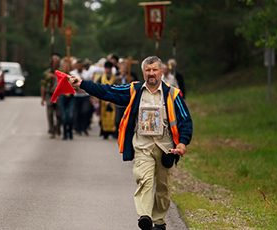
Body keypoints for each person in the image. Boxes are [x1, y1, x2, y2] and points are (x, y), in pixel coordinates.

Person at [70, 56, 193, 230]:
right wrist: (82, 83)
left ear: (161, 71)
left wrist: (183, 143)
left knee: (163, 188)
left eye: (155, 70)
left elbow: (185, 121)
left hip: (167, 148)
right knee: (144, 180)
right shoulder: (134, 90)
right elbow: (107, 91)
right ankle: (145, 216)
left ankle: (159, 221)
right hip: (143, 147)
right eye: (148, 70)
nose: (151, 74)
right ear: (143, 72)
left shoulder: (173, 94)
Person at [113, 61, 137, 137]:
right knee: (118, 120)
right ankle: (118, 132)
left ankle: (126, 133)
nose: (123, 70)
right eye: (122, 69)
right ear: (119, 70)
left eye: (124, 69)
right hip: (119, 101)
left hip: (128, 102)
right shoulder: (116, 79)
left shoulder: (131, 78)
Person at [40, 53, 62, 139]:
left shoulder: (61, 72)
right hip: (49, 93)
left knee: (59, 114)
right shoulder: (46, 73)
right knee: (49, 113)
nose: (55, 64)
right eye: (53, 62)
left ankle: (58, 126)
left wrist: (55, 77)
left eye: (56, 62)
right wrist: (43, 98)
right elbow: (42, 85)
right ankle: (52, 130)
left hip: (58, 94)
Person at [70, 58, 92, 136]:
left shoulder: (87, 73)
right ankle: (78, 128)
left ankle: (84, 127)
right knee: (77, 112)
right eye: (77, 64)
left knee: (85, 111)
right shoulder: (72, 73)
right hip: (76, 96)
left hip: (85, 95)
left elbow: (90, 82)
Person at [97, 61, 117, 139]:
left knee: (113, 116)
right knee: (104, 116)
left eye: (109, 69)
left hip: (113, 99)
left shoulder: (115, 78)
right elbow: (98, 88)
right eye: (106, 69)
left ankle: (113, 132)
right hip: (103, 100)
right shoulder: (101, 78)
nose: (108, 70)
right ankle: (105, 132)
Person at [58, 57, 75, 140]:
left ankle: (70, 132)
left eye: (66, 65)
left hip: (71, 98)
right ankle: (65, 133)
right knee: (64, 117)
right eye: (64, 65)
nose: (65, 67)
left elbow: (76, 86)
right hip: (62, 98)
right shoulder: (59, 75)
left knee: (71, 116)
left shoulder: (72, 75)